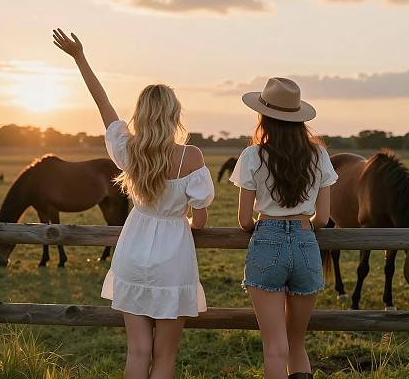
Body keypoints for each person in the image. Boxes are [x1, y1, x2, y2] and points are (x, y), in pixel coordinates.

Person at [52, 29, 214, 379]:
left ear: (141, 113)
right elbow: (200, 221)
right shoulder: (192, 156)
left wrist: (80, 57)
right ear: (174, 115)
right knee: (165, 355)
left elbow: (103, 103)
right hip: (174, 258)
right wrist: (184, 219)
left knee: (137, 351)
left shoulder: (129, 149)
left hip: (132, 251)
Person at [230, 77, 337, 379]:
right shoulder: (318, 155)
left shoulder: (253, 155)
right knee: (296, 343)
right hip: (306, 243)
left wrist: (263, 228)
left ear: (264, 116)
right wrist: (303, 227)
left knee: (274, 348)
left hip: (266, 240)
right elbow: (324, 217)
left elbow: (243, 220)